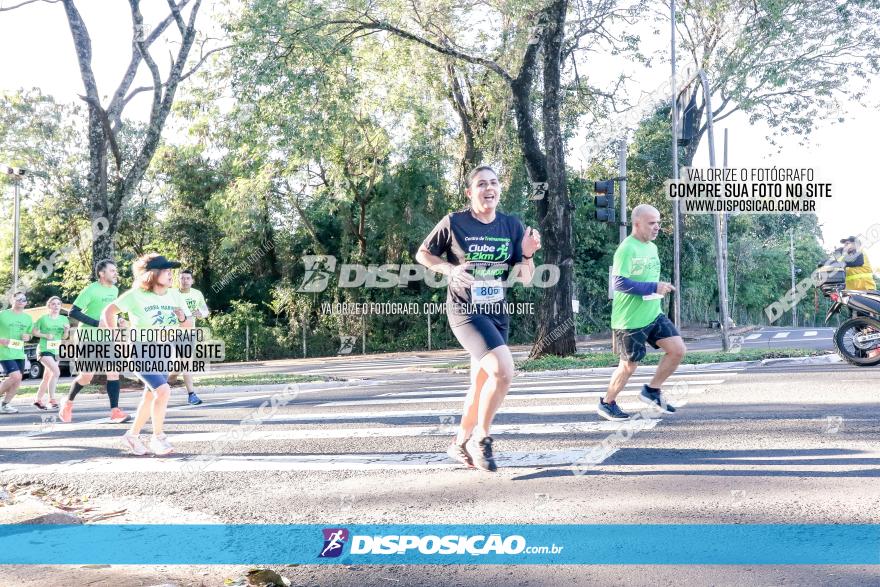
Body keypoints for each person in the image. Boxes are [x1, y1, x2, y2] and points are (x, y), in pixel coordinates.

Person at [416, 165, 541, 472]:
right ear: (470, 192)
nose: (489, 188)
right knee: (503, 371)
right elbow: (423, 253)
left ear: (500, 189)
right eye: (482, 184)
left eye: (494, 183)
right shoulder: (455, 222)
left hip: (496, 312)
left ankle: (458, 444)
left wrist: (527, 254)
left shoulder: (511, 225)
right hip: (465, 310)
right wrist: (449, 269)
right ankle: (481, 438)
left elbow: (525, 278)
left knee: (480, 384)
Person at [598, 204, 686, 421]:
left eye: (658, 222)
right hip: (629, 320)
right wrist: (653, 288)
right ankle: (607, 403)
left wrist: (658, 286)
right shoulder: (627, 248)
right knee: (629, 365)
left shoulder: (652, 248)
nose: (657, 227)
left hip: (652, 313)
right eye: (651, 223)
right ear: (637, 224)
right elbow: (618, 283)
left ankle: (652, 391)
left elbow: (647, 279)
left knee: (677, 350)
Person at [102, 254, 192, 456]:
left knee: (151, 395)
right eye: (166, 271)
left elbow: (187, 325)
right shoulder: (135, 295)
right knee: (163, 391)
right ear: (153, 274)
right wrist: (116, 337)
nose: (171, 275)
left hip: (164, 351)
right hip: (140, 350)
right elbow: (108, 312)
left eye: (171, 271)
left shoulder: (175, 295)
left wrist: (182, 316)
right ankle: (158, 437)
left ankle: (132, 436)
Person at [59, 259, 130, 424]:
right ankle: (68, 402)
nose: (115, 273)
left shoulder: (114, 289)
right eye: (112, 270)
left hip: (106, 338)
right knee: (86, 377)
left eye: (115, 270)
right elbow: (73, 312)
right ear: (101, 273)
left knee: (113, 372)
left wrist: (118, 320)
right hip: (87, 337)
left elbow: (108, 312)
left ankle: (115, 411)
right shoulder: (91, 289)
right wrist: (96, 323)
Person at [168, 269, 209, 405]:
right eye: (182, 278)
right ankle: (191, 394)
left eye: (187, 278)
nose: (184, 281)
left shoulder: (197, 294)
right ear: (177, 280)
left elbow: (205, 311)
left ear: (192, 281)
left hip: (189, 333)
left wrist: (201, 313)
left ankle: (166, 384)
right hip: (173, 333)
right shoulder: (171, 293)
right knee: (184, 363)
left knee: (182, 365)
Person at [31, 296, 70, 410]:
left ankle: (37, 400)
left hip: (56, 350)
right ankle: (52, 399)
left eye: (58, 304)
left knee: (48, 377)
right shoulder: (43, 319)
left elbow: (65, 337)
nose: (56, 306)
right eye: (53, 304)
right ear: (49, 306)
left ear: (60, 306)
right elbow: (34, 332)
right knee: (56, 372)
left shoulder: (64, 319)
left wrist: (67, 330)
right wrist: (45, 335)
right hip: (44, 349)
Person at [0, 292, 34, 414]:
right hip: (4, 351)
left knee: (18, 380)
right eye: (18, 298)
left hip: (19, 352)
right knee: (16, 376)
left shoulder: (28, 318)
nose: (21, 300)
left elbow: (30, 334)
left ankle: (5, 405)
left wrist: (28, 337)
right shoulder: (3, 315)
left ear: (26, 303)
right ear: (12, 300)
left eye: (23, 299)